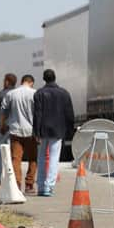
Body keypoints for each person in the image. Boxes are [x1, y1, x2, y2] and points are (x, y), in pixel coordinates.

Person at [33, 69, 74, 197]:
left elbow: (37, 114)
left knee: (40, 158)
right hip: (58, 130)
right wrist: (69, 131)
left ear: (44, 79)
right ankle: (48, 186)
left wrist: (36, 131)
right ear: (54, 78)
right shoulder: (64, 93)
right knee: (54, 158)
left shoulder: (39, 93)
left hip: (42, 130)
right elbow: (69, 115)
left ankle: (40, 186)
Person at [0, 74, 38, 194]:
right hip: (31, 131)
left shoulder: (11, 94)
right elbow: (39, 113)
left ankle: (17, 184)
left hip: (15, 130)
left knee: (16, 158)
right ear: (31, 82)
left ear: (22, 81)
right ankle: (29, 184)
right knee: (33, 158)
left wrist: (2, 125)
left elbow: (3, 111)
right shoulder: (35, 94)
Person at [0, 73, 17, 185]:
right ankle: (12, 177)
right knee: (13, 154)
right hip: (15, 128)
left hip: (1, 129)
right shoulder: (17, 94)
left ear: (7, 82)